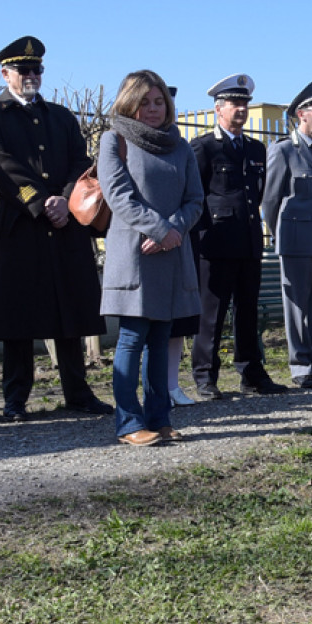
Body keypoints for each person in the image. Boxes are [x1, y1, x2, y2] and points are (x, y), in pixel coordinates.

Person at [0, 36, 110, 421]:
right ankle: (15, 398)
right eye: (23, 70)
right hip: (21, 223)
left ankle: (78, 393)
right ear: (5, 74)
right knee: (19, 316)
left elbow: (79, 163)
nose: (31, 76)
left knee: (70, 310)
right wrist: (40, 201)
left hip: (65, 223)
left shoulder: (62, 117)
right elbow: (1, 164)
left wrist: (65, 200)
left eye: (36, 70)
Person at [98, 70, 204, 445]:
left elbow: (195, 200)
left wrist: (173, 231)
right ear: (129, 103)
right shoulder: (114, 140)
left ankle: (159, 419)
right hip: (135, 253)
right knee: (132, 337)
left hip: (172, 253)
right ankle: (128, 423)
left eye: (159, 102)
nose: (154, 109)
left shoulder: (181, 146)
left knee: (161, 338)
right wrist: (160, 231)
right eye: (145, 102)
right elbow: (118, 196)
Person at [189, 74, 287, 398]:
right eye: (235, 103)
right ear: (218, 109)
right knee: (212, 313)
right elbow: (195, 196)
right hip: (215, 243)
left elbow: (255, 194)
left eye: (244, 103)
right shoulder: (203, 148)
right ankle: (205, 376)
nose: (241, 109)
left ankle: (252, 374)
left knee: (247, 310)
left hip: (247, 241)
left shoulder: (255, 149)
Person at [263, 81, 312, 389]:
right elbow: (270, 200)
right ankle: (301, 367)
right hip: (296, 241)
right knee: (297, 307)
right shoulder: (283, 151)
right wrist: (279, 233)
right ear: (300, 114)